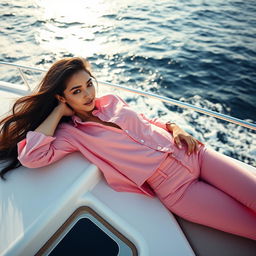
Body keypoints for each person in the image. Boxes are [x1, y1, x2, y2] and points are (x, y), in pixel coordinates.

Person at [0, 57, 255, 240]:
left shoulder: (111, 100)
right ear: (62, 97)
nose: (88, 94)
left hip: (193, 153)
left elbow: (145, 120)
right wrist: (57, 112)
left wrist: (175, 127)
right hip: (178, 189)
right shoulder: (72, 134)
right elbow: (32, 157)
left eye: (89, 84)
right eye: (77, 91)